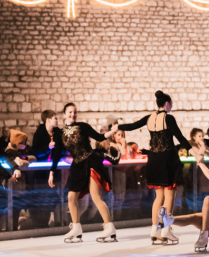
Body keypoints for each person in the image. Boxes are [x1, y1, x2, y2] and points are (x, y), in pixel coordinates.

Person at [119, 91, 192, 244]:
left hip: (154, 160)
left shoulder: (149, 118)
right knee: (170, 196)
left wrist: (116, 127)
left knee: (159, 197)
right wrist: (193, 151)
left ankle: (154, 230)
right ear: (167, 104)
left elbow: (132, 126)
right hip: (168, 160)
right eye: (171, 104)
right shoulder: (169, 118)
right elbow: (179, 137)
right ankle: (166, 230)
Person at [49, 102, 117, 244]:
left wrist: (113, 130)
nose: (73, 115)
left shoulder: (83, 127)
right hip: (77, 166)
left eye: (75, 112)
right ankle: (76, 227)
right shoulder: (60, 134)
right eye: (70, 112)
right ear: (64, 114)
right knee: (71, 197)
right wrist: (52, 172)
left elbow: (100, 137)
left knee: (95, 196)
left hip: (90, 162)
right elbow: (56, 154)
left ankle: (109, 227)